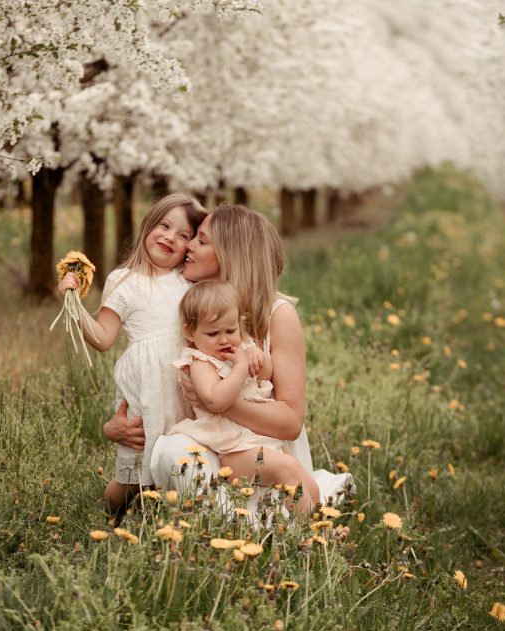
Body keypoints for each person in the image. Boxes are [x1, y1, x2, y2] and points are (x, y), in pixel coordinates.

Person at [102, 203, 351, 511]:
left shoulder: (277, 314)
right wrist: (114, 427)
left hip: (259, 449)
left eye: (201, 241)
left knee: (272, 500)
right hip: (203, 440)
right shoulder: (188, 303)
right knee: (174, 452)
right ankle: (219, 524)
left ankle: (243, 528)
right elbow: (148, 373)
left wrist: (222, 401)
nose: (188, 245)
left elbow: (290, 422)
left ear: (230, 254)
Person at [58, 193, 208, 515]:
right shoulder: (124, 280)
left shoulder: (189, 282)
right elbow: (102, 337)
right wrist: (73, 303)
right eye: (165, 226)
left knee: (180, 463)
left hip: (182, 389)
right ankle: (107, 516)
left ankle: (170, 516)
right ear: (148, 226)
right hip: (146, 391)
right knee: (136, 474)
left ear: (190, 248)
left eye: (184, 235)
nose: (170, 237)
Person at [167, 280, 321, 514]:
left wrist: (257, 357)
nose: (223, 340)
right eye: (213, 333)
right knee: (287, 468)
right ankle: (317, 536)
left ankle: (315, 528)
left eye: (230, 331)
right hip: (233, 450)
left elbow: (266, 376)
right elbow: (216, 401)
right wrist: (240, 366)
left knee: (309, 485)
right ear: (190, 332)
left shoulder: (241, 347)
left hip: (260, 439)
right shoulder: (200, 361)